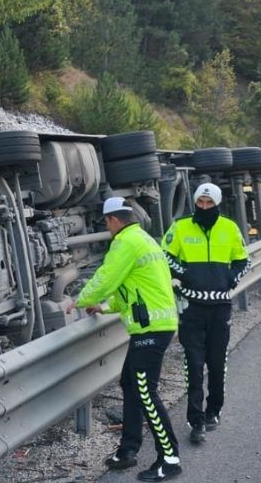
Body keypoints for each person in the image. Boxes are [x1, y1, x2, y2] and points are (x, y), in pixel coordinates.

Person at [67, 196, 182, 481]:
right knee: (130, 383)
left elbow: (106, 278)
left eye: (107, 222)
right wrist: (104, 308)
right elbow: (129, 289)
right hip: (155, 324)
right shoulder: (142, 238)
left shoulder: (124, 243)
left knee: (145, 391)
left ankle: (169, 459)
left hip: (151, 329)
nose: (107, 227)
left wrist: (80, 300)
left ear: (114, 220)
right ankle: (127, 450)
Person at [162, 183, 247, 446]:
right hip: (191, 308)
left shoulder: (230, 228)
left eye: (209, 204)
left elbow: (244, 260)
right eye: (201, 203)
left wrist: (230, 279)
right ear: (195, 203)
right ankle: (196, 420)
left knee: (217, 363)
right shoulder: (180, 226)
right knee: (194, 364)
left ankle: (214, 411)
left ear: (217, 204)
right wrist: (185, 274)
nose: (205, 207)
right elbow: (164, 255)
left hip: (220, 308)